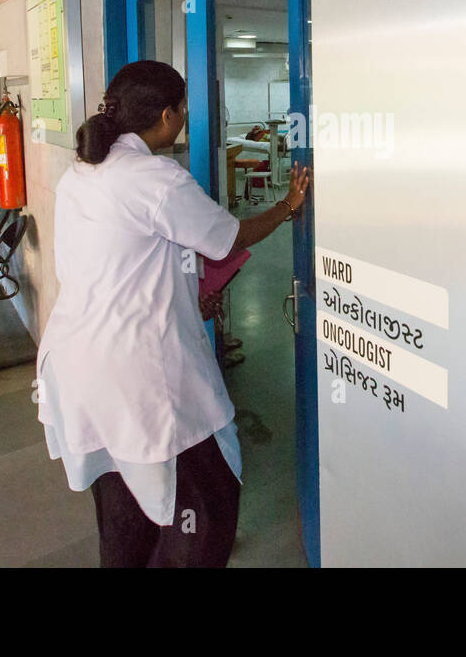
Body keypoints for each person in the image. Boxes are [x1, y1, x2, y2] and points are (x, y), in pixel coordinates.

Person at [37, 60, 310, 568]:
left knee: (122, 509)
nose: (184, 119)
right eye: (182, 110)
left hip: (79, 361)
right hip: (137, 370)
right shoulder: (155, 178)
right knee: (212, 499)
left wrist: (188, 296)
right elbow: (230, 237)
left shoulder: (82, 172)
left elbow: (126, 261)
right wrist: (289, 205)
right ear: (166, 115)